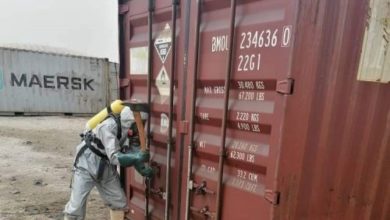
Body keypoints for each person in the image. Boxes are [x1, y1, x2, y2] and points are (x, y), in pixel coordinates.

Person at [64, 106, 153, 220]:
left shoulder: (128, 130)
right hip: (86, 163)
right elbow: (115, 157)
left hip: (105, 165)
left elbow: (132, 151)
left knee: (119, 203)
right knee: (75, 209)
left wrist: (142, 168)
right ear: (130, 121)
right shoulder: (108, 127)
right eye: (141, 123)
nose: (141, 127)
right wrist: (137, 157)